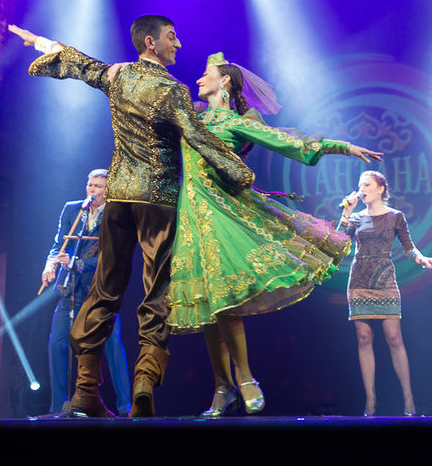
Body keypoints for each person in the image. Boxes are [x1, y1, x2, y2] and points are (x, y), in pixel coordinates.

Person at [9, 17, 254, 418]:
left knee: (105, 288)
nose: (179, 43)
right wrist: (239, 172)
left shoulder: (118, 76)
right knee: (156, 288)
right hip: (158, 199)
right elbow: (197, 136)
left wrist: (40, 42)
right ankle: (143, 381)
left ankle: (85, 390)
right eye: (172, 37)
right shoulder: (172, 90)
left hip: (119, 197)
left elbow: (80, 64)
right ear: (150, 43)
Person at [164, 52, 383, 416]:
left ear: (225, 81)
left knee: (224, 299)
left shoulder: (235, 123)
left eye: (206, 74)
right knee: (207, 305)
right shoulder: (192, 118)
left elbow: (289, 142)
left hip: (224, 215)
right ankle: (222, 387)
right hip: (191, 219)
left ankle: (244, 378)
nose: (199, 79)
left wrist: (342, 147)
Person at [339, 171, 432, 416]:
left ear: (380, 189)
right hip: (359, 280)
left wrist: (422, 259)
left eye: (367, 185)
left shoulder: (395, 216)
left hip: (385, 279)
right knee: (364, 338)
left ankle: (408, 399)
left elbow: (409, 246)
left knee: (394, 338)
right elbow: (339, 245)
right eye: (360, 185)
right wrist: (346, 213)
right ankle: (370, 400)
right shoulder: (356, 217)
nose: (362, 189)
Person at [41, 168, 131, 416]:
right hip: (71, 288)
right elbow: (59, 243)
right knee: (57, 342)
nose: (92, 190)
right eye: (90, 185)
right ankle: (59, 406)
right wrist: (50, 265)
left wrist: (77, 263)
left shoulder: (115, 214)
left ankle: (126, 406)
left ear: (107, 190)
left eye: (98, 186)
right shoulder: (73, 209)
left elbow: (112, 256)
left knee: (112, 346)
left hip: (101, 291)